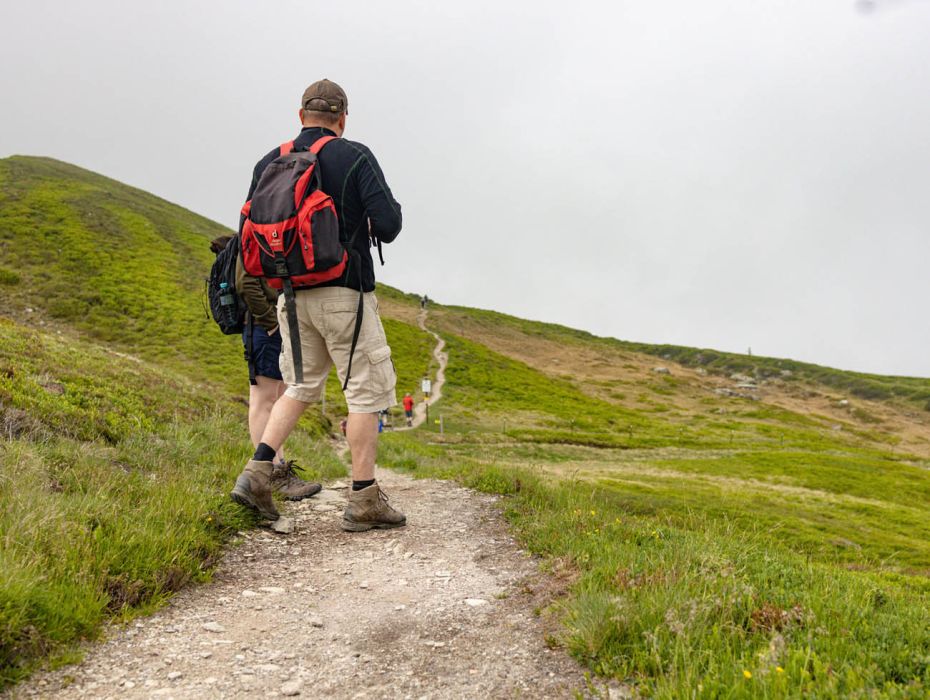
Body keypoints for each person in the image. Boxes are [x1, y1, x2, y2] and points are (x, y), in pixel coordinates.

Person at [230, 79, 405, 531]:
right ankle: (364, 497)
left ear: (300, 114)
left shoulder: (271, 160)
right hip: (345, 293)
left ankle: (257, 472)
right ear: (342, 118)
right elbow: (388, 225)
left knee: (300, 386)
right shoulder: (354, 156)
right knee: (364, 391)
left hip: (290, 296)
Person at [209, 237, 321, 502]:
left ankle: (277, 470)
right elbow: (245, 283)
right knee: (263, 398)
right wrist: (271, 322)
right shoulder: (253, 238)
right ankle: (270, 474)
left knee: (277, 396)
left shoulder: (260, 236)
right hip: (262, 328)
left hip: (268, 327)